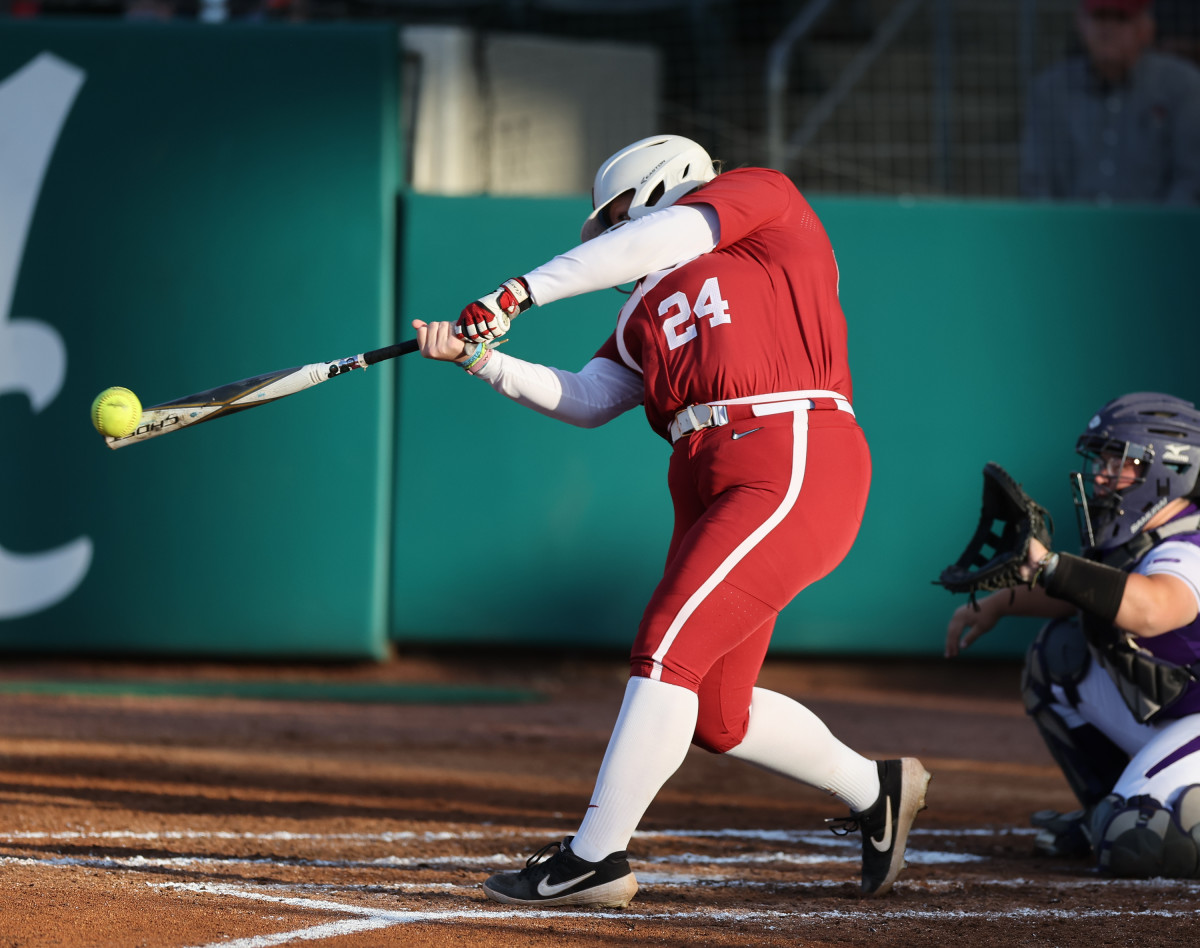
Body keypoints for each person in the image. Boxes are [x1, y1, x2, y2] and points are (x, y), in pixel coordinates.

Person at [413, 135, 931, 907]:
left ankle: (594, 858)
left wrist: (518, 293)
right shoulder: (641, 310)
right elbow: (589, 398)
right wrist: (479, 360)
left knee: (665, 646)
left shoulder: (759, 199)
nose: (617, 232)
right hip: (705, 466)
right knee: (719, 714)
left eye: (620, 215)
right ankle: (876, 789)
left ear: (660, 186)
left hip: (789, 448)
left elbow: (675, 233)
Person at [945, 392, 1200, 878]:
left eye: (1119, 462)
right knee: (1060, 656)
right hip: (1179, 710)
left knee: (1135, 840)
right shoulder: (1147, 539)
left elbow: (1153, 609)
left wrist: (1047, 564)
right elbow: (1095, 594)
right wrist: (1000, 604)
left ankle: (1131, 809)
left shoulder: (1189, 546)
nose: (1102, 476)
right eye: (1102, 460)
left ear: (1167, 470)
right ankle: (1110, 804)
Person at [1020, 0, 1200, 205]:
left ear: (1146, 27)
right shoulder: (1050, 90)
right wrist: (1057, 232)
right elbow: (1035, 183)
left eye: (1121, 18)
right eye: (1100, 16)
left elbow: (1192, 179)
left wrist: (1159, 232)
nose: (1108, 28)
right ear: (1080, 22)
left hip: (1154, 232)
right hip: (1071, 232)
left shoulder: (1183, 87)